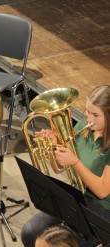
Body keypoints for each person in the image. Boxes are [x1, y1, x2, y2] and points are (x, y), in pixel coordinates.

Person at [21, 85, 110, 247]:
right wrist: (55, 146)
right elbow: (59, 168)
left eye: (95, 115)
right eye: (87, 111)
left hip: (103, 210)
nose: (88, 118)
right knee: (30, 232)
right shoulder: (84, 127)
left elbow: (102, 191)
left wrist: (75, 162)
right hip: (77, 195)